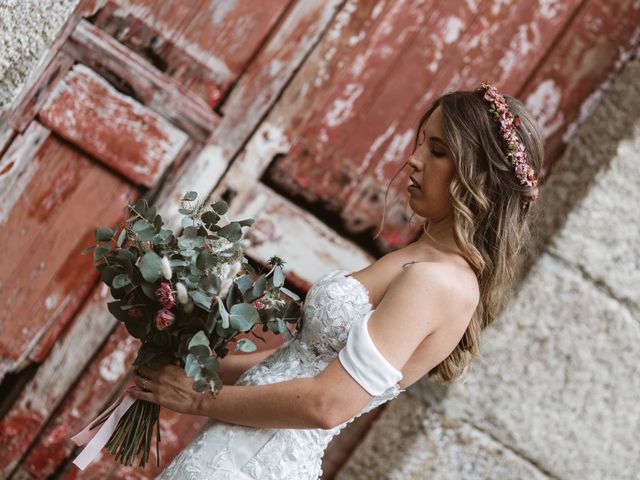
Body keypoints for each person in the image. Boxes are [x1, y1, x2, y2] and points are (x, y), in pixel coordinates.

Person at [128, 83, 543, 479]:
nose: (414, 160)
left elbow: (328, 402)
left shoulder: (441, 282)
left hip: (257, 465)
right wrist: (198, 367)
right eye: (421, 142)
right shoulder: (419, 257)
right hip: (236, 451)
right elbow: (300, 363)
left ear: (480, 176)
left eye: (436, 151)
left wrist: (198, 398)